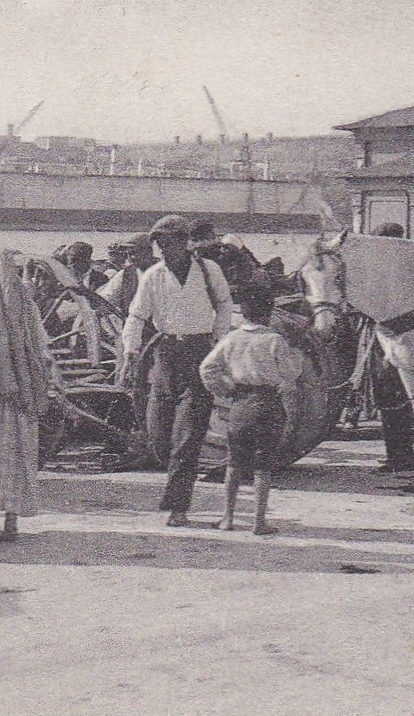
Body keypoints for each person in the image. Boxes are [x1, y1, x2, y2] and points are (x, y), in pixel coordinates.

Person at [121, 214, 233, 526]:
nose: (164, 251)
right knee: (158, 436)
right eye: (160, 245)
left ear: (185, 244)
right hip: (165, 355)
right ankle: (175, 493)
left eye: (169, 244)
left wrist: (218, 337)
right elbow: (136, 316)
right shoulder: (154, 276)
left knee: (188, 438)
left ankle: (178, 506)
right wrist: (130, 350)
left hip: (200, 354)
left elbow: (224, 305)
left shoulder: (210, 272)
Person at [200, 276, 303, 535]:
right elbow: (291, 373)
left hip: (241, 404)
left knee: (234, 463)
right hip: (268, 403)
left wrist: (225, 389)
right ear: (268, 314)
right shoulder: (274, 341)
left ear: (243, 314)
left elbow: (207, 369)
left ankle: (228, 518)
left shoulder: (231, 339)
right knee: (263, 465)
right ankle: (258, 522)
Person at [0, 245, 54, 541]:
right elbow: (42, 347)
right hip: (24, 388)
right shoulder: (25, 302)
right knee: (17, 454)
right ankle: (12, 521)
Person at [370, 222, 414, 474]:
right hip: (389, 341)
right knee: (392, 400)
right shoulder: (405, 269)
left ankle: (402, 456)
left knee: (394, 400)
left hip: (395, 343)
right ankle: (398, 454)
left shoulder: (394, 273)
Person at [98, 234, 155, 317]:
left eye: (134, 253)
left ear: (149, 252)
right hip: (132, 325)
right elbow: (107, 298)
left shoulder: (164, 272)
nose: (131, 258)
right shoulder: (125, 274)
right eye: (128, 254)